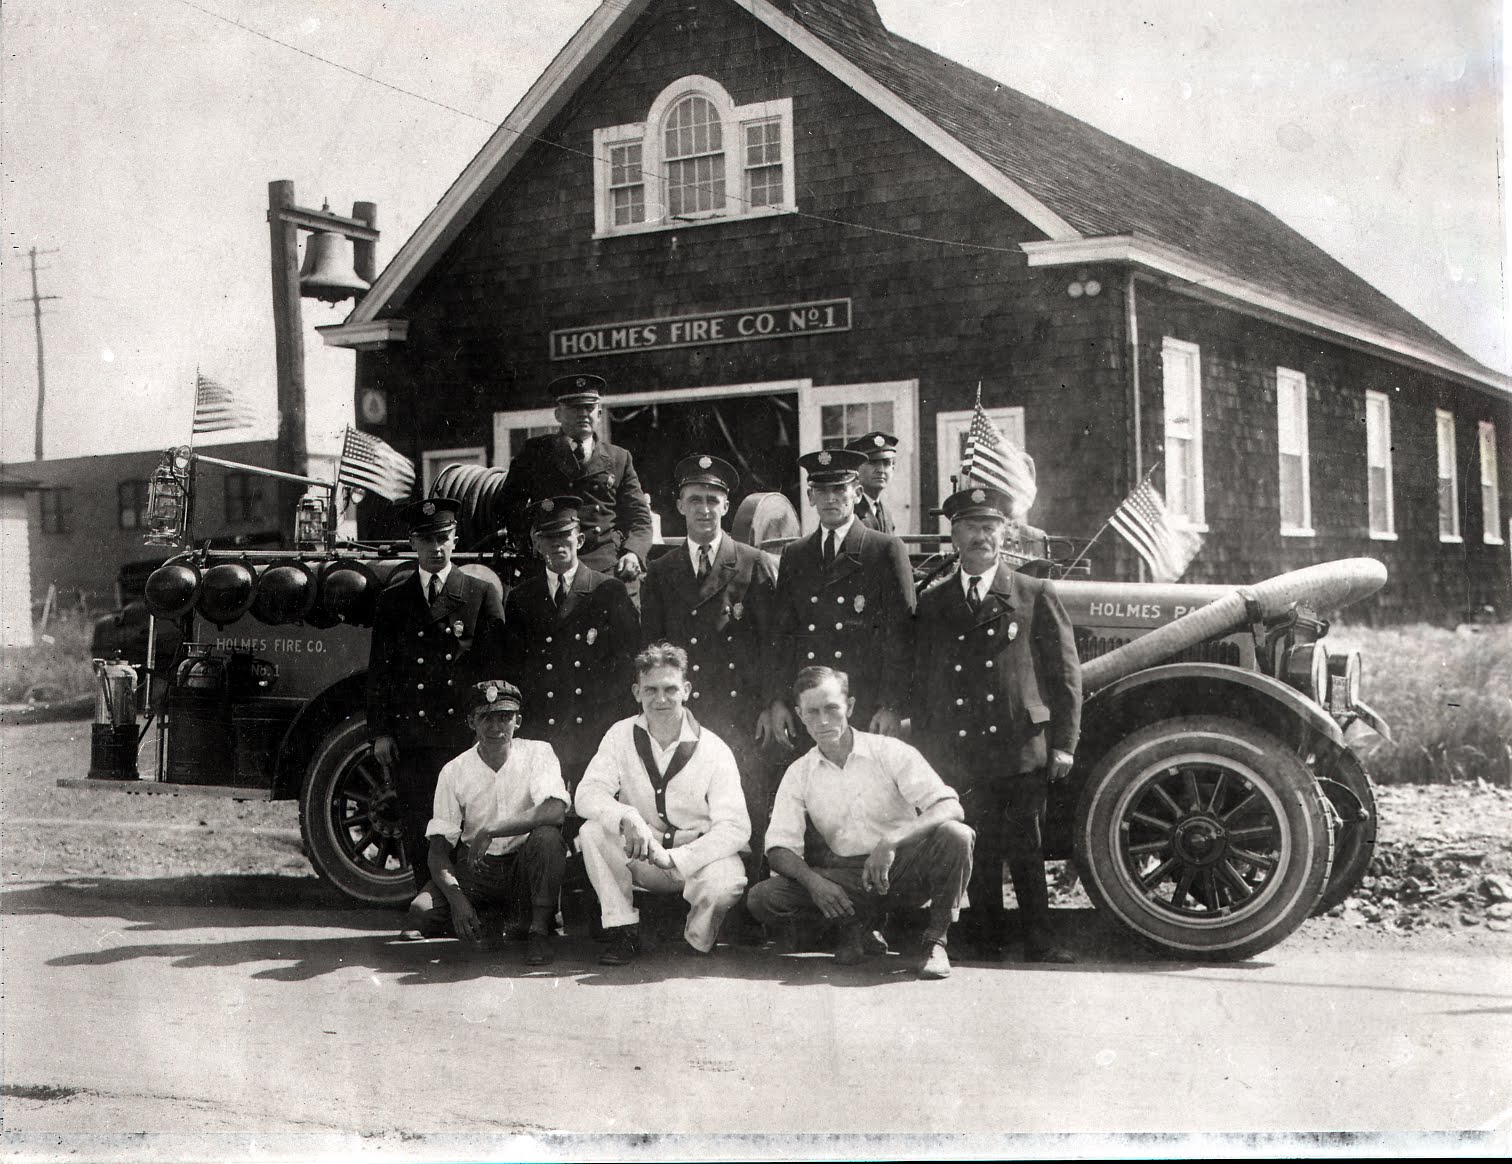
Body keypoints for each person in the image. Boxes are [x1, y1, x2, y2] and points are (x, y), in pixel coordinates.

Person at [912, 485, 1082, 963]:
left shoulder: (1032, 592)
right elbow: (924, 682)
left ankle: (1039, 940)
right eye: (970, 527)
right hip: (962, 747)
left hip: (1020, 743)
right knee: (978, 844)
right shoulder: (935, 602)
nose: (980, 536)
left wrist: (1064, 744)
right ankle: (986, 937)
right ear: (954, 536)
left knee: (1026, 845)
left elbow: (1065, 676)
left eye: (989, 527)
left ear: (1004, 534)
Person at [746, 666, 974, 980]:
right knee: (764, 898)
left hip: (904, 867)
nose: (823, 721)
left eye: (832, 709)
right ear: (799, 714)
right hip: (849, 877)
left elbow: (949, 805)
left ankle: (935, 941)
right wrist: (816, 884)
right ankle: (854, 926)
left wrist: (891, 841)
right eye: (812, 712)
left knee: (956, 835)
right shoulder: (800, 772)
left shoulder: (889, 751)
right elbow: (779, 849)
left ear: (850, 707)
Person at [575, 643, 751, 965]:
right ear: (636, 692)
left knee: (727, 881)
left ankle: (697, 939)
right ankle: (622, 931)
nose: (660, 699)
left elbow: (736, 827)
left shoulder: (714, 748)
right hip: (643, 856)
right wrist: (625, 815)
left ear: (686, 690)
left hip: (694, 862)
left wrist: (680, 858)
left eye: (670, 689)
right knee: (592, 831)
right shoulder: (619, 735)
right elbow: (587, 794)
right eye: (650, 690)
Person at [639, 454, 777, 858]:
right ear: (679, 506)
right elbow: (652, 651)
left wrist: (772, 703)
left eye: (713, 500)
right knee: (691, 810)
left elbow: (773, 644)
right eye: (695, 499)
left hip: (742, 711)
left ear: (726, 506)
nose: (704, 509)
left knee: (747, 806)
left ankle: (749, 903)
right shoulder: (661, 572)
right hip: (687, 715)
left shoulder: (753, 564)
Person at [366, 496, 506, 892]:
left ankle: (472, 901)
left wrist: (492, 730)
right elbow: (381, 673)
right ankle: (428, 901)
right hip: (414, 737)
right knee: (419, 819)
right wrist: (380, 731)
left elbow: (497, 671)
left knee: (470, 820)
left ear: (456, 538)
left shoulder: (479, 594)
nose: (436, 548)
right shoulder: (393, 601)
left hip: (463, 736)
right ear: (412, 543)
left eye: (443, 538)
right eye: (426, 540)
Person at [759, 448, 915, 752]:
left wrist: (892, 705)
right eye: (821, 490)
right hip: (811, 707)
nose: (831, 498)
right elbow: (782, 636)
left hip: (865, 706)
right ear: (810, 496)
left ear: (857, 493)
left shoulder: (884, 550)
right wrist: (777, 700)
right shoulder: (796, 555)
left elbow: (902, 635)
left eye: (839, 489)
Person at [403, 680, 568, 966]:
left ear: (518, 720)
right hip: (477, 869)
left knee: (547, 838)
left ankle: (539, 930)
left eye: (504, 717)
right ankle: (491, 918)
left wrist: (492, 830)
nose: (495, 727)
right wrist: (458, 902)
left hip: (523, 866)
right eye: (485, 717)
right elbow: (439, 852)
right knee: (420, 912)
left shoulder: (539, 753)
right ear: (471, 721)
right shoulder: (454, 771)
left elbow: (555, 811)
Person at [501, 495, 640, 797]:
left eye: (564, 535)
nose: (557, 544)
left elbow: (629, 663)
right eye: (547, 537)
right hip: (542, 736)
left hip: (594, 733)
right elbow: (512, 669)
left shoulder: (608, 592)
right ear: (536, 544)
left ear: (579, 539)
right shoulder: (521, 599)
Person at [499, 374, 653, 580]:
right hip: (551, 563)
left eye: (589, 408)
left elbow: (640, 518)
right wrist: (530, 543)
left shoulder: (619, 458)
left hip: (606, 566)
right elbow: (508, 506)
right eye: (573, 408)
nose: (583, 414)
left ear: (599, 414)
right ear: (558, 414)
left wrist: (633, 553)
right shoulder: (536, 452)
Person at [846, 430, 899, 535]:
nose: (881, 469)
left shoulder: (886, 513)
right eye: (873, 463)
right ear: (856, 469)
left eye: (886, 463)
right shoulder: (847, 511)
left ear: (893, 468)